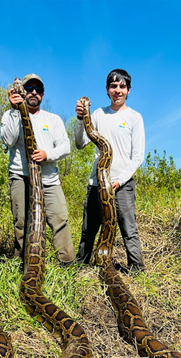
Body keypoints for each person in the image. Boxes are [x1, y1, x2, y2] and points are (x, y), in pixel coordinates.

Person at [73, 68, 146, 273]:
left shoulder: (134, 117)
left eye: (122, 86)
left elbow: (138, 156)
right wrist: (80, 119)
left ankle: (137, 270)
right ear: (107, 89)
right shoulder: (97, 114)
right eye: (113, 86)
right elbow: (80, 143)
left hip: (122, 184)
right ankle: (80, 267)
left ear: (128, 90)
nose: (117, 90)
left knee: (128, 229)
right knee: (89, 229)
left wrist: (119, 180)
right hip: (97, 183)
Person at [0, 73, 75, 268]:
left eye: (38, 89)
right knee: (22, 222)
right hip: (21, 177)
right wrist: (15, 110)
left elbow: (65, 147)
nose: (33, 92)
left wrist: (47, 154)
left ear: (42, 94)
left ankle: (67, 265)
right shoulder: (9, 115)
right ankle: (23, 265)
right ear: (22, 92)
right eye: (29, 89)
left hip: (49, 180)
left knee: (59, 220)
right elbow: (8, 140)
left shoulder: (53, 119)